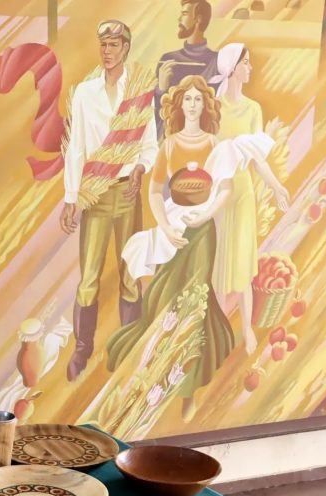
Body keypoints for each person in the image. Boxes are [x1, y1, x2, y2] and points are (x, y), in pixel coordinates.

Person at [107, 75, 235, 421]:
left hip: (203, 232)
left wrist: (205, 214)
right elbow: (154, 192)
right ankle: (153, 374)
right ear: (179, 105)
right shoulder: (169, 146)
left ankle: (188, 390)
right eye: (187, 99)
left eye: (198, 99)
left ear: (205, 105)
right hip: (174, 230)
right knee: (162, 298)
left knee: (196, 302)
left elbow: (225, 188)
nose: (192, 105)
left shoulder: (214, 144)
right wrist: (166, 228)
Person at [60, 19, 158, 381]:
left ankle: (128, 348)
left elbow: (151, 145)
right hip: (96, 195)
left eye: (114, 45)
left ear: (125, 48)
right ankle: (82, 349)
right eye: (103, 45)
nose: (107, 51)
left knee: (131, 274)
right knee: (89, 278)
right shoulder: (85, 93)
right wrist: (71, 197)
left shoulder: (140, 92)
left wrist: (140, 168)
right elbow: (77, 149)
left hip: (128, 194)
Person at [208, 43, 289, 354]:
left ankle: (246, 328)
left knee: (243, 259)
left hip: (242, 194)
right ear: (231, 68)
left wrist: (277, 187)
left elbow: (259, 160)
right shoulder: (214, 106)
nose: (250, 68)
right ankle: (217, 330)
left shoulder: (253, 109)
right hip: (218, 191)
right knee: (219, 262)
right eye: (245, 63)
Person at [154, 0, 218, 140]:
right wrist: (161, 89)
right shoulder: (168, 59)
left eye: (184, 14)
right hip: (171, 139)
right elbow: (154, 114)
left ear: (198, 19)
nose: (179, 19)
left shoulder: (216, 61)